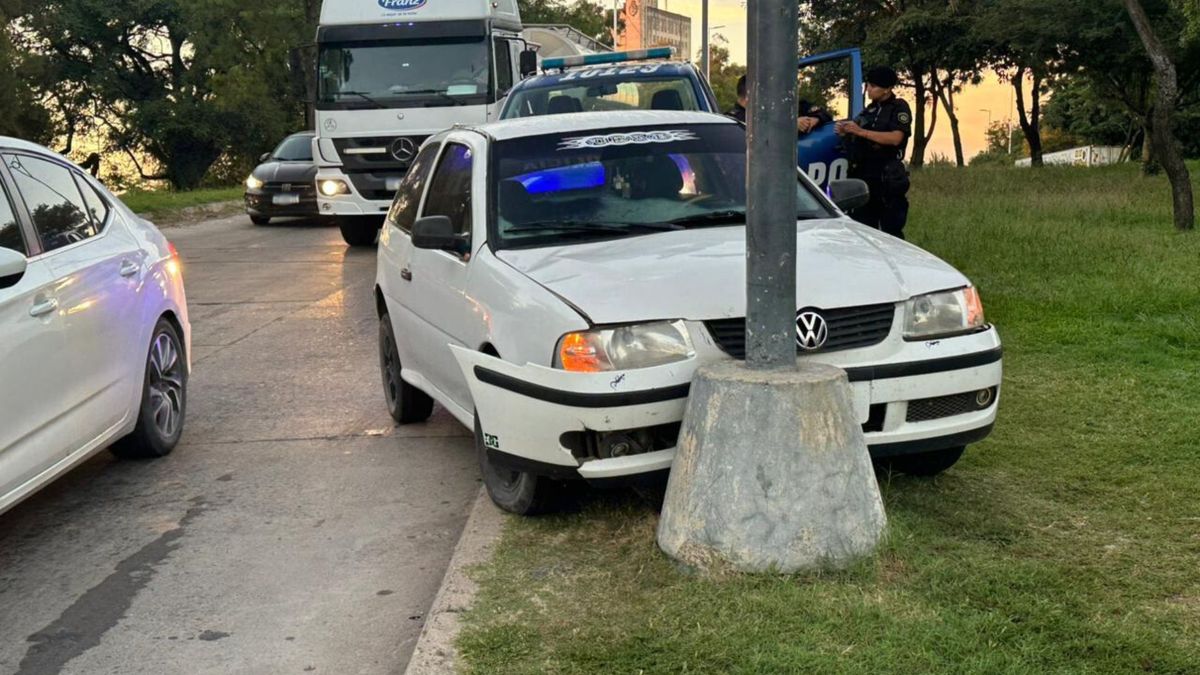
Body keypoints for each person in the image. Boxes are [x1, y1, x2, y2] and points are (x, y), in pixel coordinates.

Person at [835, 66, 912, 239]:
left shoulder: (898, 107)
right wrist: (845, 130)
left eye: (873, 86)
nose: (868, 89)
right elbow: (855, 132)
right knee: (863, 231)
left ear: (887, 89)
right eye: (868, 85)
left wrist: (861, 132)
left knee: (891, 233)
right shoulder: (869, 110)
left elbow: (896, 138)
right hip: (865, 176)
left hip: (887, 177)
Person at [727, 75, 831, 134]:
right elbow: (761, 132)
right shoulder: (731, 121)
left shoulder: (780, 108)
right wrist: (791, 125)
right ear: (750, 96)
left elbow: (825, 115)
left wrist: (815, 119)